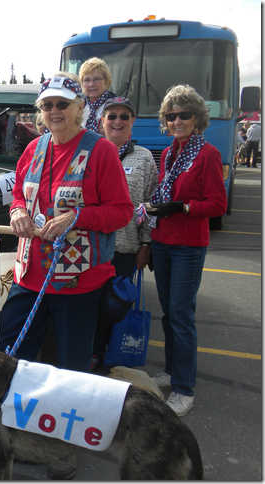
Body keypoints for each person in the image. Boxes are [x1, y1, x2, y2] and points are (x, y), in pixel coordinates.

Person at [0, 74, 133, 372]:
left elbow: (122, 212)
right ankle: (16, 412)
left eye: (62, 104)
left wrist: (77, 217)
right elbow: (20, 194)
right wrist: (17, 211)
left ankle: (62, 417)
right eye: (47, 105)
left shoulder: (102, 151)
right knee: (12, 352)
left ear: (79, 107)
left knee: (71, 365)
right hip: (29, 275)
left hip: (77, 283)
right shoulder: (34, 149)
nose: (54, 111)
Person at [148, 85, 227, 416]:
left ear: (197, 118)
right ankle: (171, 370)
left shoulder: (207, 154)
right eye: (171, 115)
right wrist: (156, 209)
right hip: (163, 241)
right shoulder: (169, 153)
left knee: (181, 315)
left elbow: (217, 204)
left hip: (188, 246)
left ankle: (184, 388)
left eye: (184, 115)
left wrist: (181, 208)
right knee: (169, 313)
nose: (177, 120)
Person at [91, 96, 159, 369]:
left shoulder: (144, 158)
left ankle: (113, 354)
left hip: (126, 246)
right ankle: (92, 352)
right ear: (102, 121)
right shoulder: (91, 153)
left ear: (132, 122)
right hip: (91, 246)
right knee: (91, 304)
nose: (117, 121)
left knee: (116, 305)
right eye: (112, 116)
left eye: (124, 116)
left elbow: (151, 202)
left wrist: (146, 244)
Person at [78, 58, 116, 133]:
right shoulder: (78, 106)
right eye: (87, 80)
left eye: (96, 79)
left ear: (106, 81)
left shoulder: (116, 105)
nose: (91, 84)